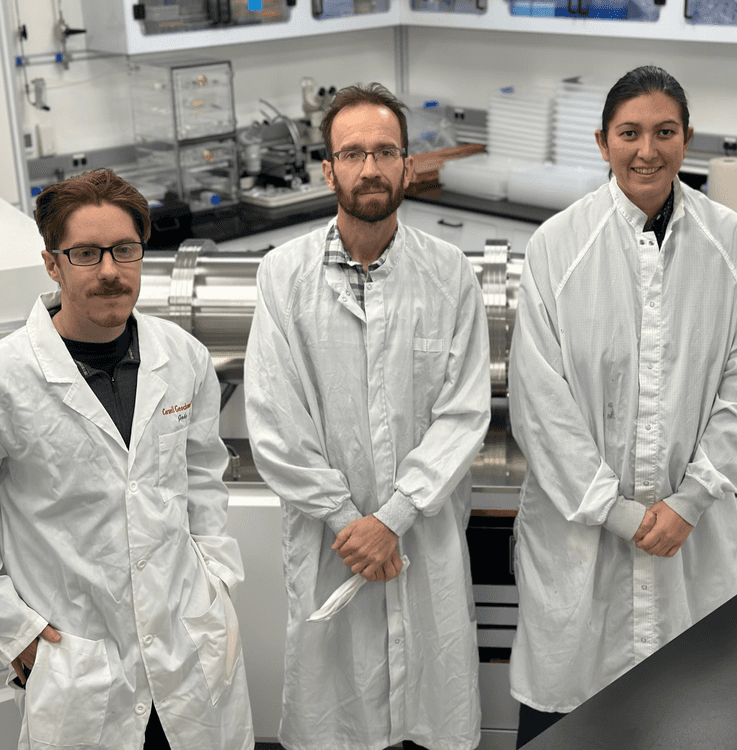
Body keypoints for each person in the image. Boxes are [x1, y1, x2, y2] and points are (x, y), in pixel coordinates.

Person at [0, 169, 254, 750]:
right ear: (53, 264)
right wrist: (17, 633)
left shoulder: (183, 356)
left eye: (125, 250)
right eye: (86, 253)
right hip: (78, 660)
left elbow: (202, 476)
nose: (109, 271)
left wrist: (216, 579)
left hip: (187, 640)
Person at [507, 66, 737, 747]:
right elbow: (542, 406)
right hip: (580, 540)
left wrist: (689, 501)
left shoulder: (733, 244)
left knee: (684, 715)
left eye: (664, 132)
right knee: (566, 716)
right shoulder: (557, 247)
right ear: (603, 143)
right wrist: (619, 513)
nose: (647, 151)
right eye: (630, 133)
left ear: (688, 139)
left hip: (691, 537)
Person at [244, 83, 491, 750]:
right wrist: (350, 522)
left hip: (422, 538)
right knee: (335, 721)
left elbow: (465, 414)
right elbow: (275, 420)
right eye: (352, 153)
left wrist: (394, 517)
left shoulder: (449, 277)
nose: (370, 168)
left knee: (429, 718)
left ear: (409, 165)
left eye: (386, 152)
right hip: (333, 544)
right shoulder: (283, 277)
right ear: (328, 169)